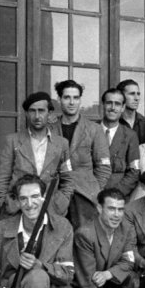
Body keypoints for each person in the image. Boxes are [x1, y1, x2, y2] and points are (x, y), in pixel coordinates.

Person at [0, 91, 73, 218]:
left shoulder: (61, 144)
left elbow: (68, 179)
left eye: (41, 111)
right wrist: (6, 205)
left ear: (49, 113)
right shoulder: (12, 141)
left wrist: (60, 204)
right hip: (18, 211)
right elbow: (3, 178)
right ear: (26, 113)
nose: (37, 116)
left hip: (50, 211)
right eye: (32, 111)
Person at [73, 188, 136, 288]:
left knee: (131, 278)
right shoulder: (85, 234)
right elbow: (87, 281)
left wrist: (107, 274)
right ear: (100, 208)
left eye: (120, 209)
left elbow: (129, 261)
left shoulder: (126, 228)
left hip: (106, 284)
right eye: (111, 209)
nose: (117, 215)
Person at [52, 80, 111, 230]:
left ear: (80, 100)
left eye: (76, 98)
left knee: (84, 238)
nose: (72, 102)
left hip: (85, 197)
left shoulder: (94, 129)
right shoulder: (50, 129)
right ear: (59, 99)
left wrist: (93, 190)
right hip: (56, 195)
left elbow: (104, 167)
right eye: (67, 97)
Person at [99, 88, 140, 198]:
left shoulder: (130, 136)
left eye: (117, 104)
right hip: (91, 195)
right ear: (103, 105)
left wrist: (115, 194)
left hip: (118, 197)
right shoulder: (90, 131)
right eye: (109, 103)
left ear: (123, 107)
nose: (113, 108)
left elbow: (134, 171)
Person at [117, 78, 145, 143]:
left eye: (138, 94)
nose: (137, 98)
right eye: (132, 94)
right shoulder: (114, 122)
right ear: (121, 97)